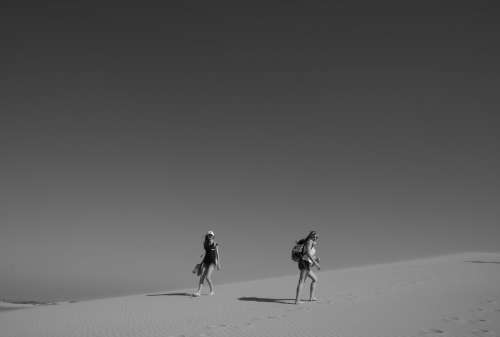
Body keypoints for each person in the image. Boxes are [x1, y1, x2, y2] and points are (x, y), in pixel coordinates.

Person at [295, 230, 320, 304]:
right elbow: (308, 253)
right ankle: (297, 300)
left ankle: (311, 297)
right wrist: (315, 263)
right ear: (312, 236)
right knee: (302, 281)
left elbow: (309, 255)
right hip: (304, 263)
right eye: (315, 236)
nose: (316, 238)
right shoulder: (310, 241)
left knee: (315, 279)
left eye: (317, 237)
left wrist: (316, 259)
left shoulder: (310, 242)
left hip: (306, 263)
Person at [193, 230, 220, 297]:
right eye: (209, 235)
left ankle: (212, 291)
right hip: (205, 261)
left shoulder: (216, 244)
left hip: (212, 262)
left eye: (211, 235)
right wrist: (202, 255)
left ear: (213, 236)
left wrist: (218, 263)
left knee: (208, 277)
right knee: (202, 277)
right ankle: (198, 292)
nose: (210, 236)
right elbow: (205, 252)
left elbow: (217, 254)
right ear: (207, 236)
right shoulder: (205, 244)